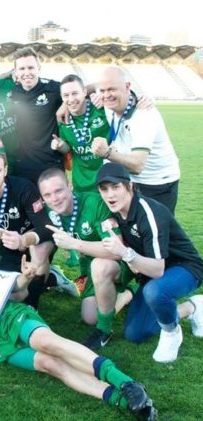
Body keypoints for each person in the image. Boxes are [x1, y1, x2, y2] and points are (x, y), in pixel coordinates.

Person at [0, 226, 157, 420]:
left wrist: (25, 279)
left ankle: (125, 382)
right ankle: (125, 403)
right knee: (50, 364)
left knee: (47, 343)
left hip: (7, 316)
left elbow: (9, 287)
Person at [95, 163, 203, 362]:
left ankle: (172, 333)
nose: (110, 194)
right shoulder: (114, 211)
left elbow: (157, 269)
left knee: (155, 291)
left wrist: (125, 253)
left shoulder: (149, 212)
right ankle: (193, 307)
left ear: (130, 186)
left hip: (183, 267)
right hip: (149, 269)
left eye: (116, 187)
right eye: (104, 189)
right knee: (135, 333)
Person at [0, 149, 75, 308]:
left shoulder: (24, 189)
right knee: (13, 296)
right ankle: (52, 278)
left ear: (5, 170)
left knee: (38, 253)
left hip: (36, 239)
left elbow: (46, 228)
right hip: (9, 247)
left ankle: (33, 308)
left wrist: (23, 240)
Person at [38, 168, 135, 338]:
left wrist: (75, 244)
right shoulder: (49, 212)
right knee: (90, 318)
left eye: (59, 190)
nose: (54, 198)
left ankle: (131, 289)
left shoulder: (94, 203)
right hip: (90, 268)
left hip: (118, 263)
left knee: (100, 266)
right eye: (47, 195)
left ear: (70, 186)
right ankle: (121, 293)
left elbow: (117, 250)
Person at [91, 66, 180, 213]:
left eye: (112, 89)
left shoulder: (144, 114)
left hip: (158, 183)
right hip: (131, 181)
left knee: (156, 231)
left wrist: (107, 153)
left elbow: (138, 166)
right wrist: (63, 107)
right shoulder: (109, 104)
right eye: (103, 90)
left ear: (127, 87)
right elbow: (86, 87)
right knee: (133, 230)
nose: (107, 95)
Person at [9, 47, 63, 185]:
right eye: (21, 69)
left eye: (31, 68)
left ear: (39, 68)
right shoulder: (11, 92)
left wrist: (66, 105)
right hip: (22, 169)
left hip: (51, 165)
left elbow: (80, 90)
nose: (27, 73)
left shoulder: (53, 89)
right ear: (15, 72)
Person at [52, 74, 109, 193]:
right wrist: (61, 145)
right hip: (81, 187)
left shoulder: (102, 109)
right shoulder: (63, 120)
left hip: (108, 183)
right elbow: (68, 150)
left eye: (75, 93)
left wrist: (139, 99)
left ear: (84, 92)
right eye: (66, 95)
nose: (71, 99)